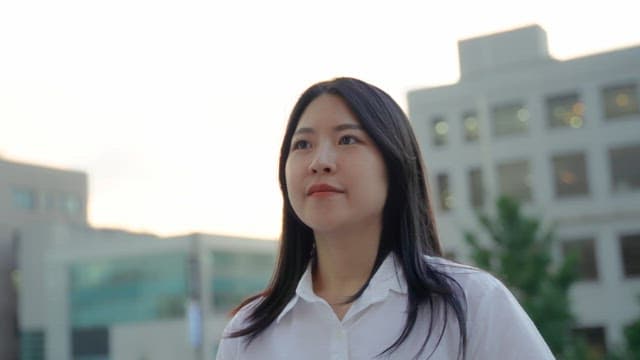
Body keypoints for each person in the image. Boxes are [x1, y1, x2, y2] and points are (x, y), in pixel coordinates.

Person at [216, 77, 554, 359]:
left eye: (347, 139)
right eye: (302, 144)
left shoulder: (471, 303)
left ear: (394, 165)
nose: (320, 161)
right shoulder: (248, 335)